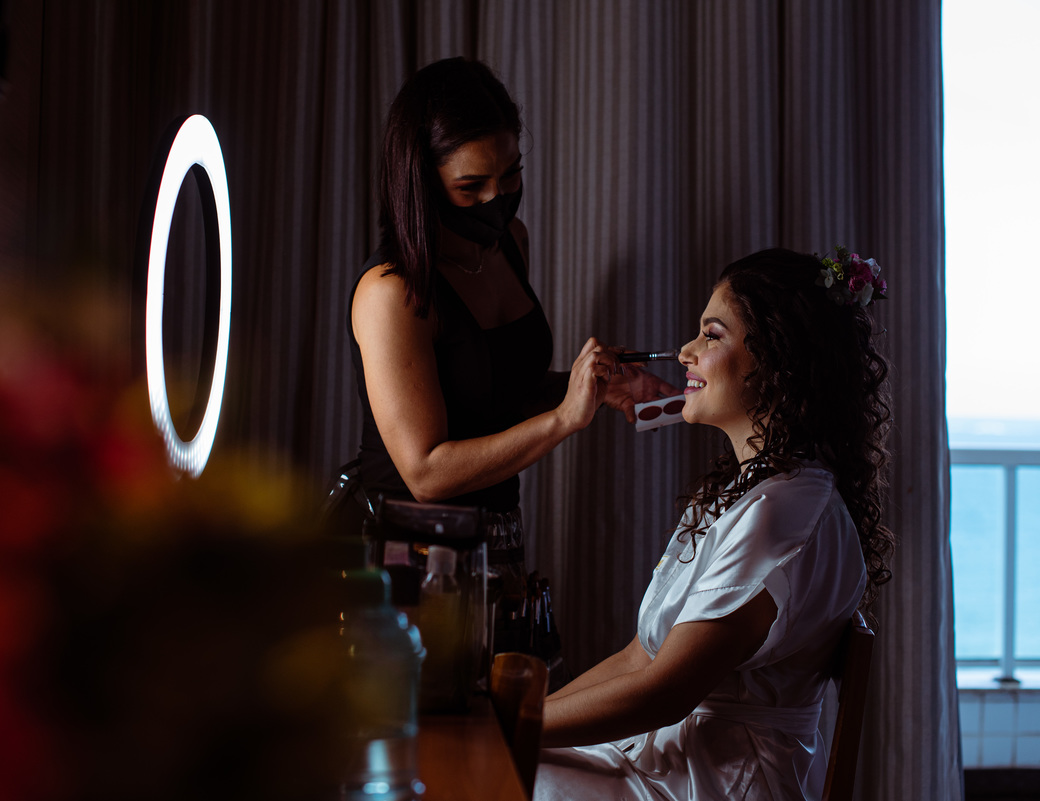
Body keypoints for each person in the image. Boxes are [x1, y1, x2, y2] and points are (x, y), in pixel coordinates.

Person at [533, 247, 893, 800]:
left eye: (712, 335)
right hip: (673, 761)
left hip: (716, 782)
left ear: (779, 362)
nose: (684, 352)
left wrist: (510, 728)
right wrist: (516, 720)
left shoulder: (780, 514)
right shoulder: (749, 493)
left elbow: (663, 691)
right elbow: (640, 656)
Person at [344, 56, 673, 636]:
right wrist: (563, 420)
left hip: (499, 543)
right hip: (414, 562)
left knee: (516, 717)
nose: (499, 200)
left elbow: (500, 390)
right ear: (423, 181)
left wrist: (590, 386)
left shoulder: (510, 242)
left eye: (512, 175)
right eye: (472, 186)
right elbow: (426, 472)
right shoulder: (390, 291)